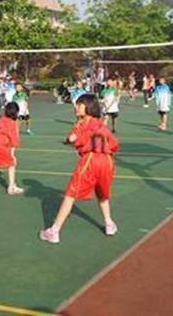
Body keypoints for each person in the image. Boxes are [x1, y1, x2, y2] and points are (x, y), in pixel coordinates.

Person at [39, 94, 119, 244]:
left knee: (70, 195)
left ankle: (54, 231)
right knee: (102, 194)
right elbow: (114, 144)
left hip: (91, 160)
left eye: (79, 105)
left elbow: (73, 138)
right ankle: (109, 224)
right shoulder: (101, 124)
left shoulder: (81, 123)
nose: (76, 107)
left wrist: (67, 140)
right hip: (107, 161)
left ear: (88, 107)